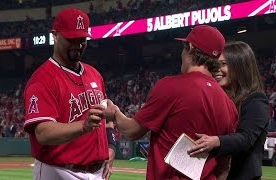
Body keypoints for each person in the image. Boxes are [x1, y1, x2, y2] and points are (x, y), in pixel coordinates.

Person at [102, 25, 238, 179]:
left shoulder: (171, 86)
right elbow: (223, 166)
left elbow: (132, 131)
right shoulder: (229, 104)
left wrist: (114, 114)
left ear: (191, 48)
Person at [23, 8, 116, 180]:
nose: (78, 46)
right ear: (55, 35)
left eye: (82, 40)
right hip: (59, 171)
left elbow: (106, 119)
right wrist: (84, 125)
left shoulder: (95, 74)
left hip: (98, 172)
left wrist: (111, 146)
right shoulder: (42, 80)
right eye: (71, 39)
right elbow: (43, 133)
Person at [187, 41, 270, 180]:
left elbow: (246, 138)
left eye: (223, 64)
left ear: (240, 67)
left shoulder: (256, 100)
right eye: (215, 64)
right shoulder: (220, 100)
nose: (216, 69)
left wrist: (216, 141)